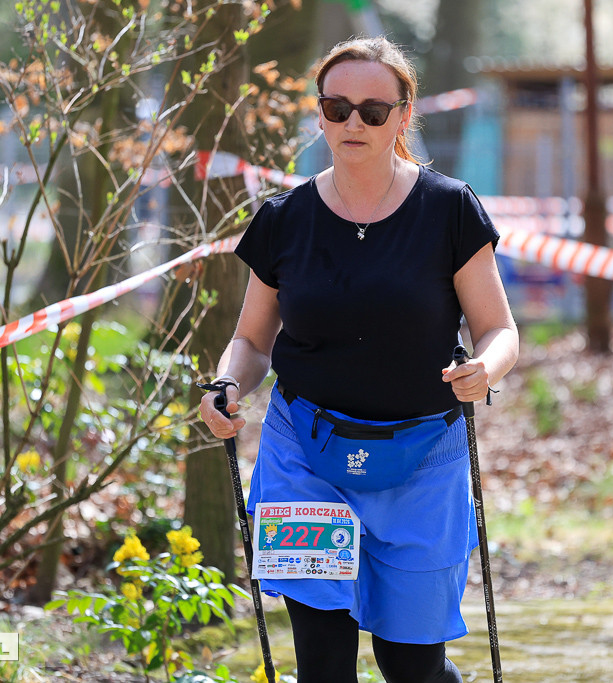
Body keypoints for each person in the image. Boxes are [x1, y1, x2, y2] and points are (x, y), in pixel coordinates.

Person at [198, 36, 519, 683]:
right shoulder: (284, 219)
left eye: (374, 111)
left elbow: (499, 329)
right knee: (323, 663)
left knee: (411, 666)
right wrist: (228, 385)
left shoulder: (449, 209)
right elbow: (254, 341)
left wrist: (488, 366)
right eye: (337, 107)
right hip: (307, 457)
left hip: (424, 459)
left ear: (404, 116)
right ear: (319, 114)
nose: (354, 123)